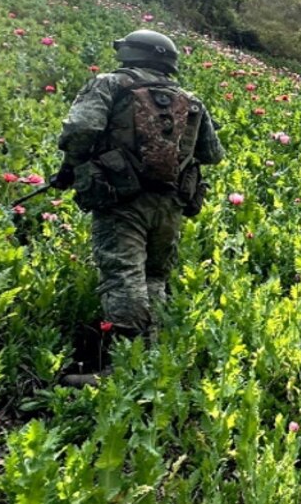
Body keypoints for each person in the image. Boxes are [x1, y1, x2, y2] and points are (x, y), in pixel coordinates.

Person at [50, 29, 225, 385]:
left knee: (123, 275)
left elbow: (80, 130)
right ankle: (150, 355)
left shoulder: (111, 84)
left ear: (130, 53)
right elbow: (212, 154)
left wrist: (71, 168)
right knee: (154, 277)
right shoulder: (191, 101)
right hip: (171, 203)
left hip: (120, 198)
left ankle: (124, 367)